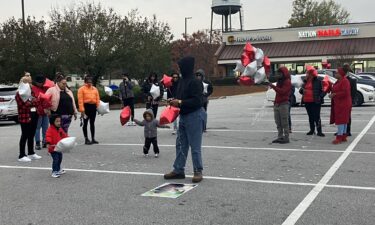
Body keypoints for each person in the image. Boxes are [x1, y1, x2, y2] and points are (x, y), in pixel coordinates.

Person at [164, 56, 205, 183]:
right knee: (180, 144)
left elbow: (198, 101)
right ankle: (178, 170)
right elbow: (180, 96)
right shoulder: (182, 81)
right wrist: (173, 100)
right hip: (183, 115)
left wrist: (180, 102)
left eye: (181, 66)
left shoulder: (195, 82)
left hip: (194, 115)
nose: (179, 69)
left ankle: (198, 170)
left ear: (186, 67)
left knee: (195, 145)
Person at [15, 75, 43, 162]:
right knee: (25, 135)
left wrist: (33, 102)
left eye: (30, 82)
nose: (30, 84)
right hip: (25, 116)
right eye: (28, 82)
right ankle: (22, 155)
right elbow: (24, 105)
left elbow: (37, 101)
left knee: (32, 135)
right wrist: (33, 102)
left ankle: (31, 153)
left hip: (34, 114)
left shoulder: (31, 92)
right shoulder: (19, 93)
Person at [299, 66, 326, 137]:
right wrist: (302, 90)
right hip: (307, 101)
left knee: (317, 116)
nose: (307, 74)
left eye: (308, 73)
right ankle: (312, 130)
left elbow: (323, 91)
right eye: (307, 73)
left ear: (312, 74)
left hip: (315, 101)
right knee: (310, 116)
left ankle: (319, 131)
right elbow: (300, 91)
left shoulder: (318, 81)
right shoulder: (305, 81)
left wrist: (320, 97)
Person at [268, 67, 292, 144]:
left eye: (279, 73)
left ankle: (286, 137)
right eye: (277, 73)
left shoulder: (287, 81)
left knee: (284, 122)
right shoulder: (279, 81)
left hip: (284, 104)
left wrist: (273, 86)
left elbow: (282, 92)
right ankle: (280, 137)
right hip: (277, 104)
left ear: (284, 74)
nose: (278, 75)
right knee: (278, 122)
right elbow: (278, 93)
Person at [330, 68, 352, 144]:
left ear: (340, 74)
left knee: (341, 120)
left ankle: (339, 137)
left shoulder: (345, 81)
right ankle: (343, 136)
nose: (335, 74)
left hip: (343, 103)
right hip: (339, 103)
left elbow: (345, 92)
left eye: (336, 73)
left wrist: (335, 94)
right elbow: (336, 90)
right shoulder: (338, 81)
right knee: (344, 120)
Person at [78, 76, 100, 145]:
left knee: (92, 123)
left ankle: (93, 138)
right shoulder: (81, 89)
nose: (90, 83)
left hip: (93, 107)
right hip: (86, 107)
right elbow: (80, 100)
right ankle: (86, 138)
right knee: (85, 123)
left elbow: (98, 99)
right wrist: (82, 110)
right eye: (88, 82)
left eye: (91, 82)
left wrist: (98, 107)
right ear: (85, 82)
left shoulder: (95, 89)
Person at [32, 75, 49, 150]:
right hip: (38, 111)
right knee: (37, 128)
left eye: (42, 82)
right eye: (40, 82)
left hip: (45, 111)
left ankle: (45, 141)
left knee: (45, 127)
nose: (41, 84)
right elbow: (33, 100)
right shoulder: (33, 88)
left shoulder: (45, 88)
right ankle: (37, 143)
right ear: (36, 82)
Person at [342, 64, 357, 136]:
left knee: (347, 116)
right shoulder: (340, 79)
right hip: (341, 101)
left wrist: (352, 101)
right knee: (341, 116)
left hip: (348, 100)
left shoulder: (352, 80)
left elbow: (354, 92)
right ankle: (342, 130)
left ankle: (348, 131)